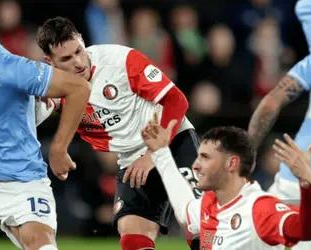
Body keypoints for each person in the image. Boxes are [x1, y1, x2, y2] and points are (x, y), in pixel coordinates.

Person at [35, 17, 200, 250]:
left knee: (199, 224)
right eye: (66, 59)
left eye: (78, 51)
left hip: (173, 141)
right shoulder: (51, 86)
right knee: (132, 234)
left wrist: (153, 154)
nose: (78, 62)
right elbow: (31, 119)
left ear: (82, 41)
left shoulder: (120, 60)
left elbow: (176, 101)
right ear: (49, 62)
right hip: (132, 158)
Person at [0, 6, 90, 250]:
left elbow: (79, 88)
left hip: (22, 183)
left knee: (43, 247)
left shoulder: (10, 68)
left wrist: (59, 149)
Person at [142, 115, 311, 249]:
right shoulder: (208, 204)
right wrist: (161, 153)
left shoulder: (259, 208)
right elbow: (183, 210)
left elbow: (306, 231)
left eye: (205, 157)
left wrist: (307, 183)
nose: (195, 166)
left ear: (231, 163)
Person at [248, 1, 311, 249]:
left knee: (258, 237)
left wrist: (246, 153)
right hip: (304, 175)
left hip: (301, 175)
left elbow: (270, 104)